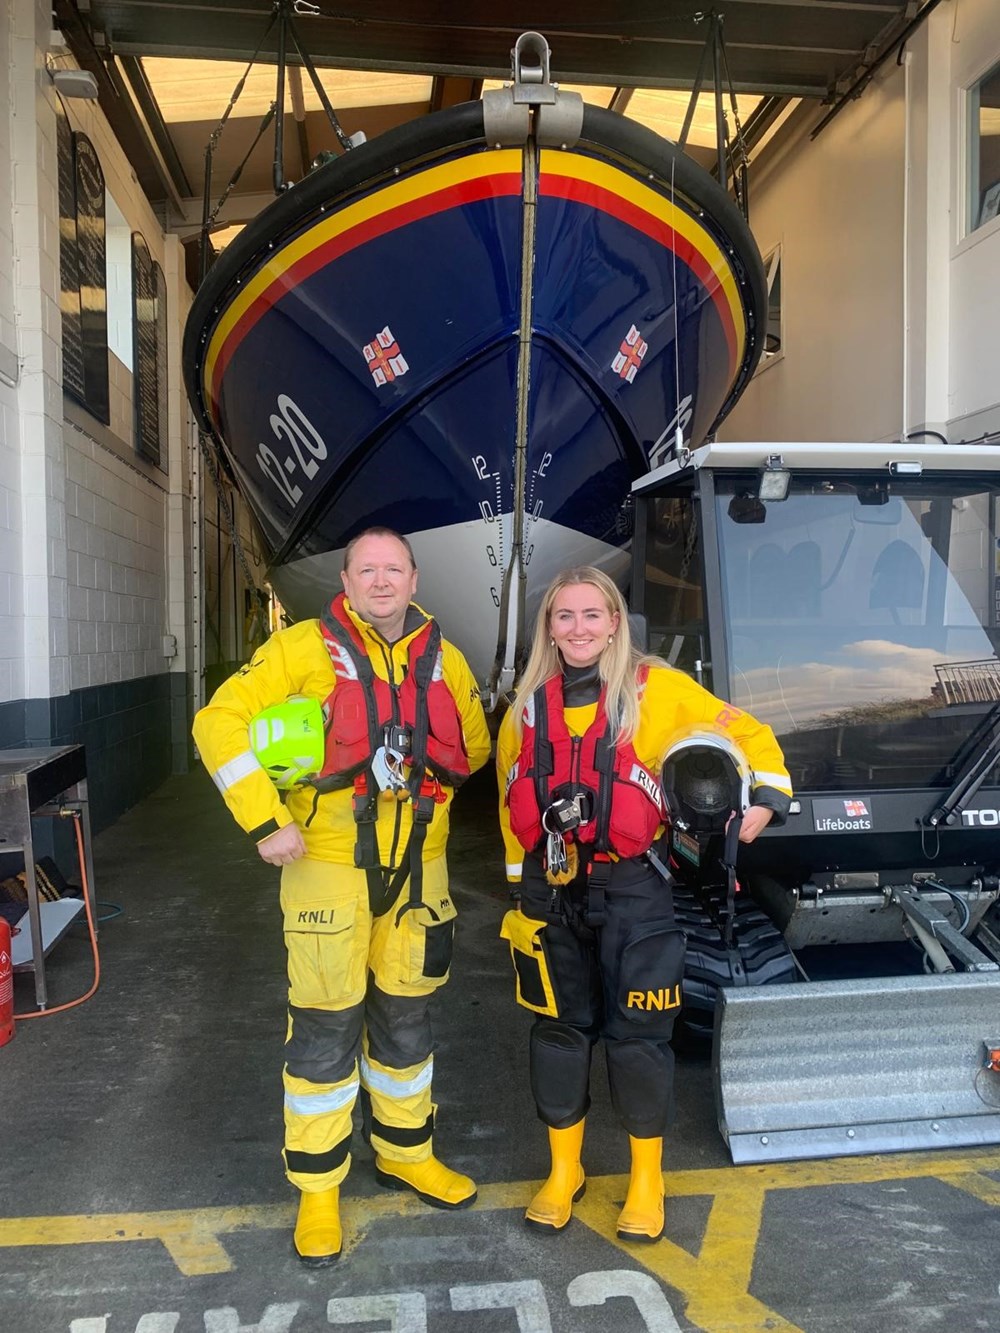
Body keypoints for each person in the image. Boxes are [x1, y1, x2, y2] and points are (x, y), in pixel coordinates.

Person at [193, 528, 491, 1266]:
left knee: (406, 1020)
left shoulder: (445, 660)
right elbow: (216, 723)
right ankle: (320, 1188)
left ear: (415, 577)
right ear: (348, 581)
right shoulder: (300, 650)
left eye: (394, 568)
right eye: (368, 569)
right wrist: (266, 818)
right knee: (325, 1030)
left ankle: (405, 1151)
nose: (382, 581)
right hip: (327, 861)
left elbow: (476, 747)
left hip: (420, 869)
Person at [496, 566, 791, 1243]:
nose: (578, 628)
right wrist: (520, 883)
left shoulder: (657, 690)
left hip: (633, 888)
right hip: (549, 887)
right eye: (564, 616)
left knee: (639, 1040)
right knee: (558, 1032)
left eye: (592, 614)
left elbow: (745, 732)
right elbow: (510, 803)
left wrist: (766, 801)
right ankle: (563, 1170)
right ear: (549, 626)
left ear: (614, 621)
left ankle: (646, 1178)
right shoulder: (527, 706)